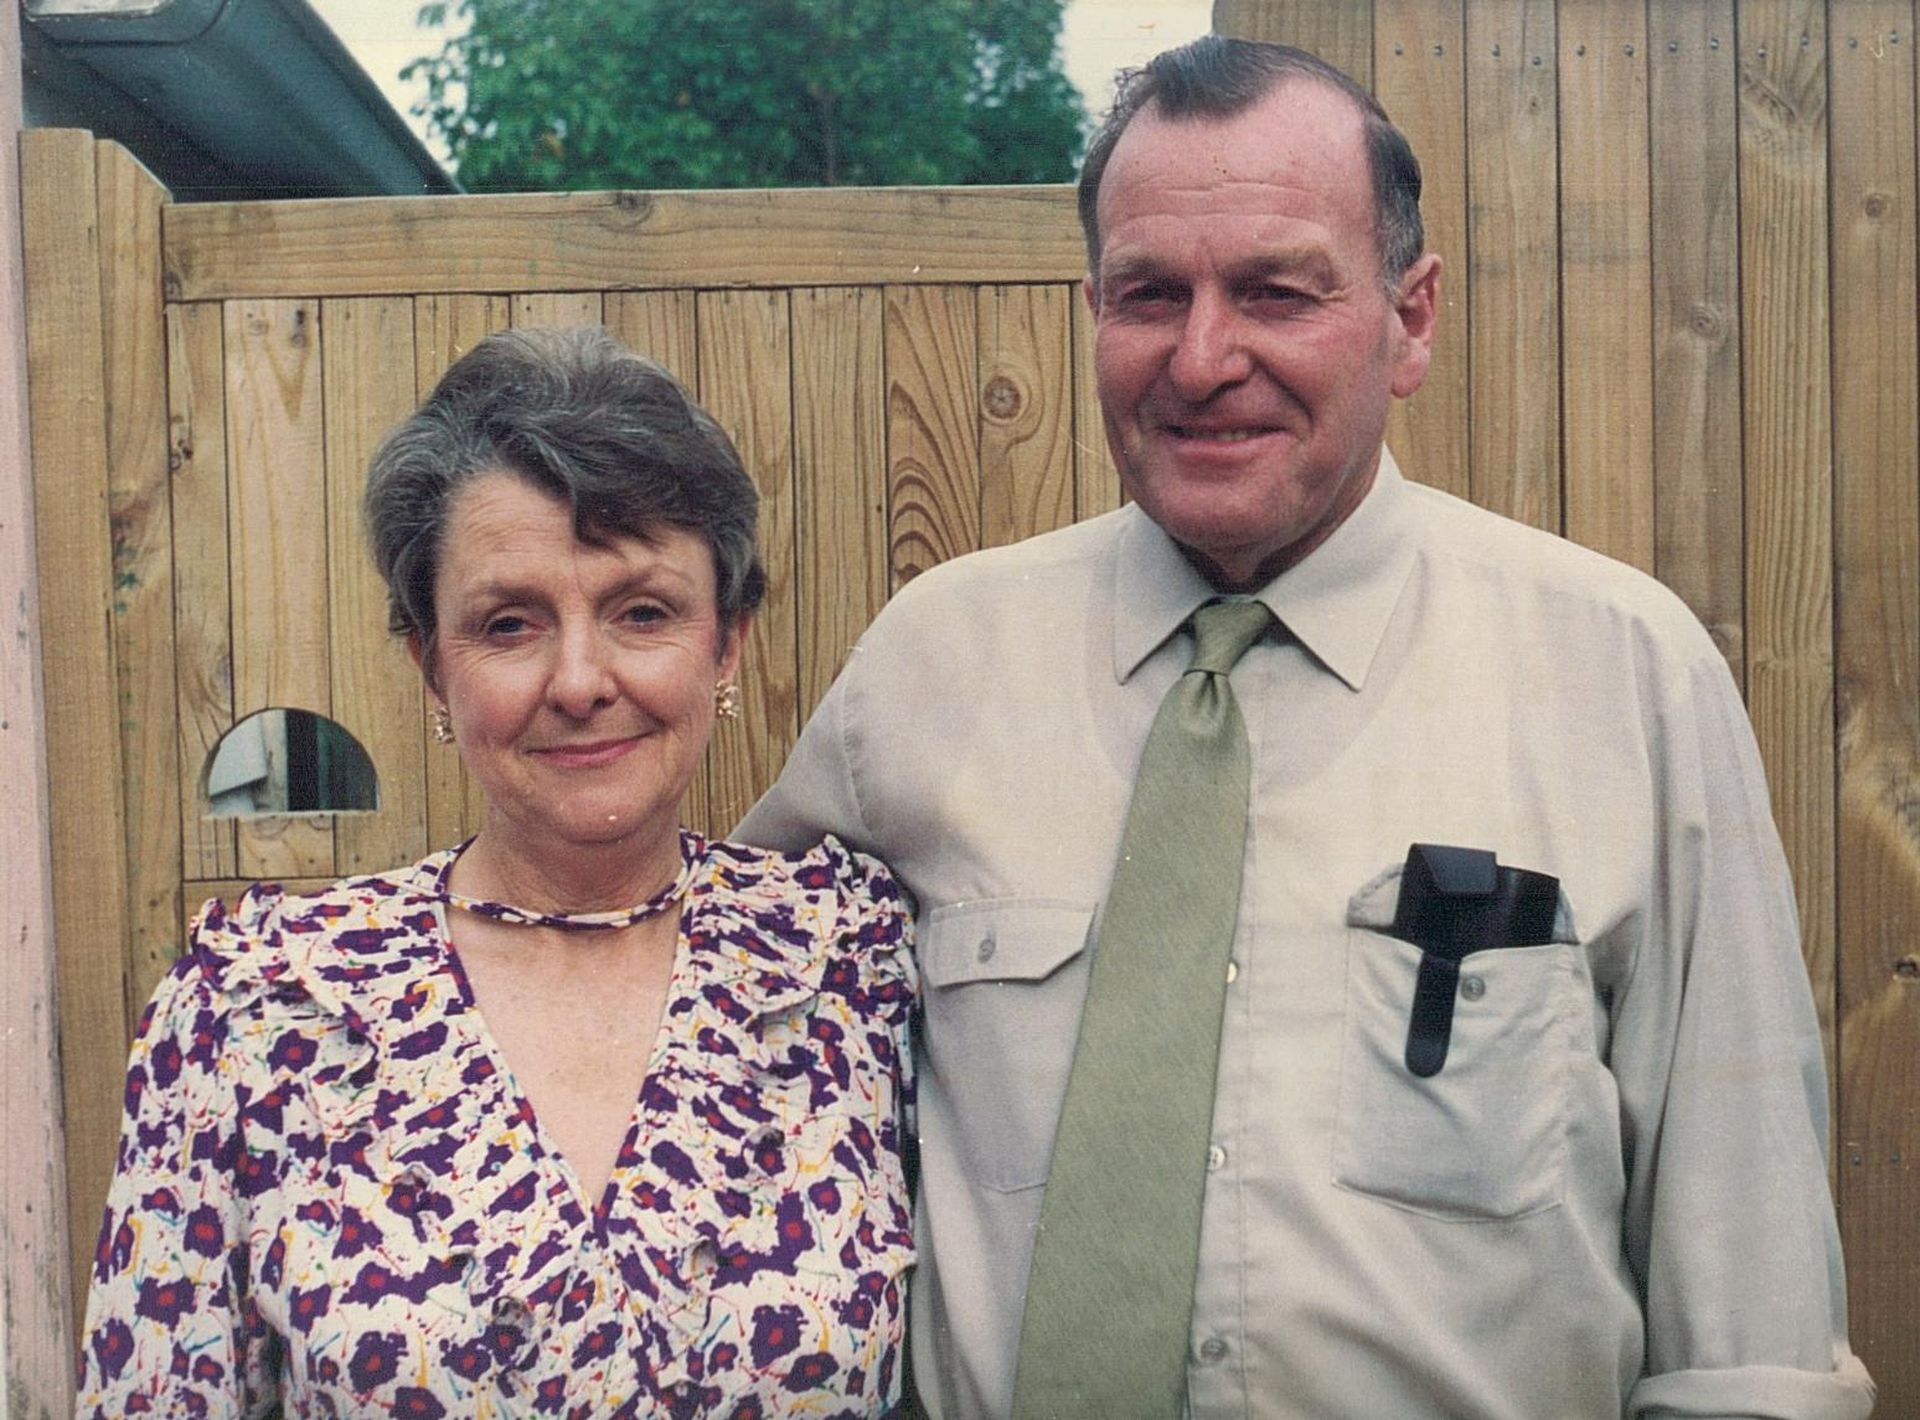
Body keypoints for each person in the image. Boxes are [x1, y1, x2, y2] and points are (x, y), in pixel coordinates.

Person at [739, 36, 1874, 1420]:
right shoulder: (925, 669)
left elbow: (1746, 1308)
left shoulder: (1626, 679)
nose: (1204, 358)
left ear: (1411, 318)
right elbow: (722, 1076)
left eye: (1277, 291)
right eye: (1151, 294)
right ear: (1091, 306)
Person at [75, 326, 916, 1416]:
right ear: (433, 666)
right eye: (509, 623)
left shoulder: (851, 965)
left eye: (641, 611)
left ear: (729, 643)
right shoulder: (256, 1005)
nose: (579, 679)